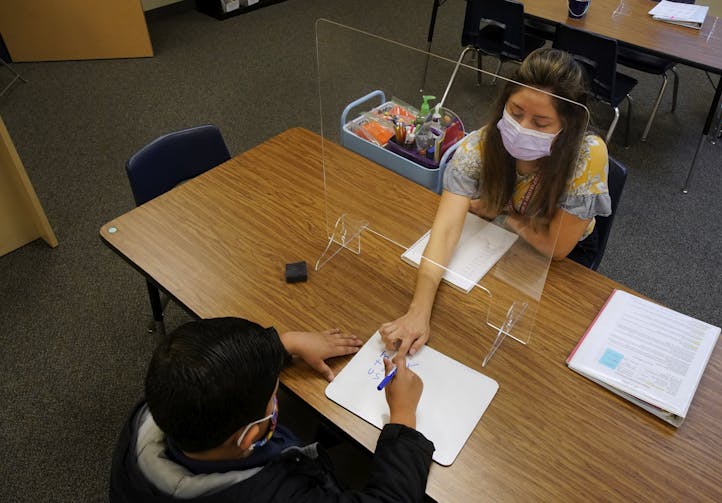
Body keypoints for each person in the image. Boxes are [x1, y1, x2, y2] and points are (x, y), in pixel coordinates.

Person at [381, 48, 611, 356]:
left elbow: (556, 248)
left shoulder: (587, 154)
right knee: (471, 323)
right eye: (516, 113)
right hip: (501, 237)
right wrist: (418, 312)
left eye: (541, 124)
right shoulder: (483, 142)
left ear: (567, 126)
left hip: (564, 257)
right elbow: (447, 229)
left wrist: (505, 214)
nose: (522, 128)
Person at [109, 317, 434, 502]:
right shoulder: (275, 497)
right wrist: (403, 416)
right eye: (273, 396)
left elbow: (210, 363)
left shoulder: (160, 406)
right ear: (250, 435)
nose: (276, 401)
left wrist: (285, 344)